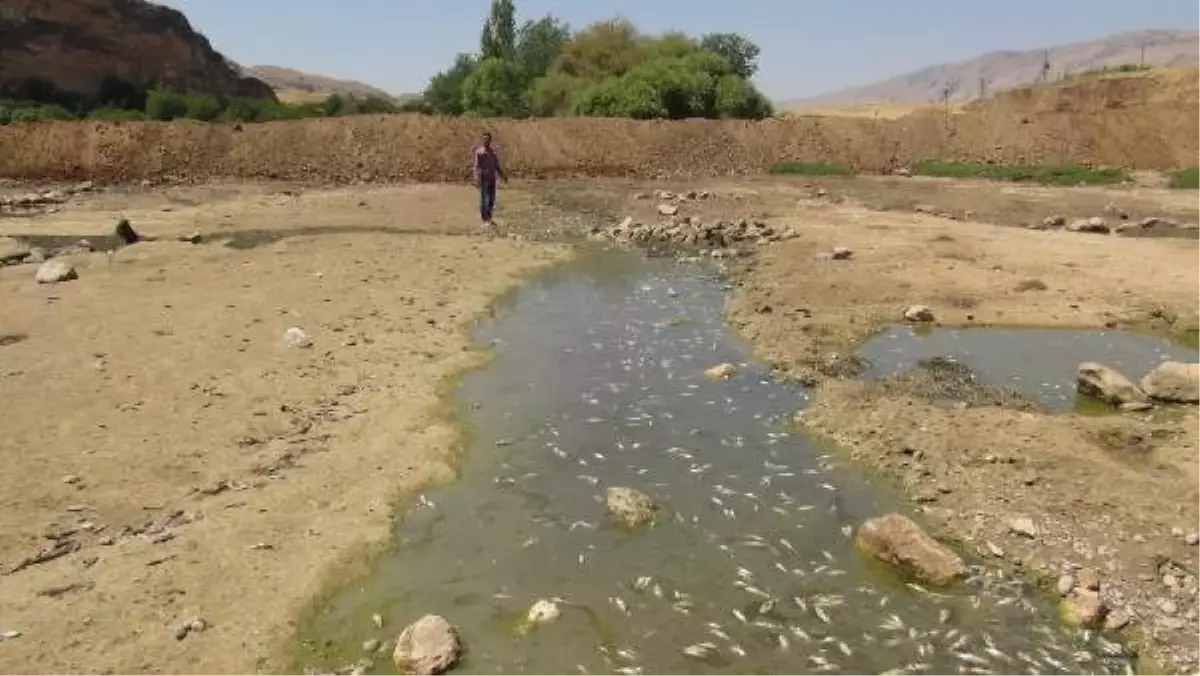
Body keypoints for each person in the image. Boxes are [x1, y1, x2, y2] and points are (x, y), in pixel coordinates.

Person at [472, 132, 506, 227]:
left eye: (488, 139)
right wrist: (476, 179)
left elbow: (496, 166)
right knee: (484, 199)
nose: (486, 140)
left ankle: (489, 217)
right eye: (484, 139)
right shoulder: (479, 152)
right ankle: (485, 218)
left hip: (492, 178)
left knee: (491, 199)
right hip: (483, 178)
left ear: (490, 140)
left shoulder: (492, 152)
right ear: (482, 140)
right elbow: (476, 166)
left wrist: (502, 176)